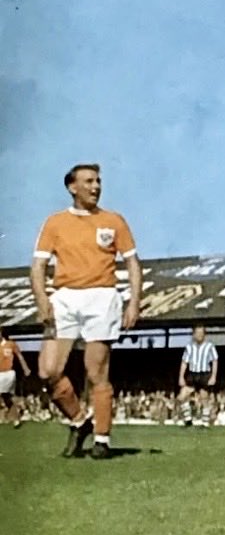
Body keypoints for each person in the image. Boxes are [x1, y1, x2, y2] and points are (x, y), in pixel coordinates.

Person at [30, 163, 142, 459]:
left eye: (98, 181)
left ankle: (102, 440)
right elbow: (38, 266)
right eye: (89, 181)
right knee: (48, 370)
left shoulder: (113, 220)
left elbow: (132, 262)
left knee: (96, 372)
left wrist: (133, 302)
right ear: (72, 187)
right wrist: (43, 300)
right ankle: (79, 421)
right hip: (64, 298)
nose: (95, 187)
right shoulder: (54, 223)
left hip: (101, 297)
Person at [177, 325, 218, 426]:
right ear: (194, 334)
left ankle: (205, 422)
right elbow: (184, 362)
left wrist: (213, 376)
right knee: (182, 396)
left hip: (204, 373)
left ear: (204, 334)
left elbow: (215, 361)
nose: (199, 335)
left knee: (204, 397)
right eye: (197, 333)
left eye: (201, 333)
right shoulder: (189, 347)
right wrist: (181, 377)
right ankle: (188, 419)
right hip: (192, 374)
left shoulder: (210, 346)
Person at [0, 328, 32, 427]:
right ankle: (15, 414)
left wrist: (25, 368)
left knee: (9, 395)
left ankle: (17, 415)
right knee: (6, 397)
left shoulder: (11, 344)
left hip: (9, 373)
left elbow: (19, 356)